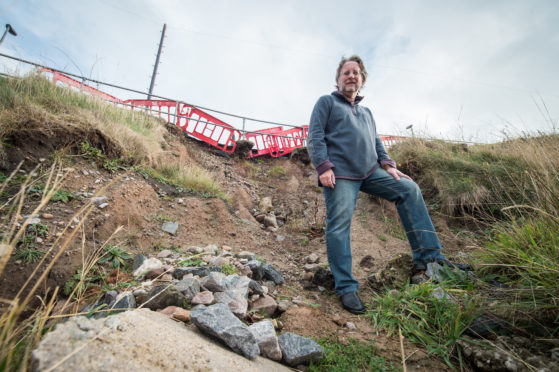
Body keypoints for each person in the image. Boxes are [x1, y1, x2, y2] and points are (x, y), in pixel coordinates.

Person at [307, 55, 466, 315]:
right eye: (345, 72)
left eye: (355, 72)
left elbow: (376, 141)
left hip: (370, 172)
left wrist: (389, 165)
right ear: (337, 80)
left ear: (362, 80)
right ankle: (346, 287)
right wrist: (323, 166)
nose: (351, 76)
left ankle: (430, 259)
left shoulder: (367, 112)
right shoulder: (326, 102)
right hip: (341, 174)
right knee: (339, 226)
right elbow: (314, 135)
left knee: (409, 189)